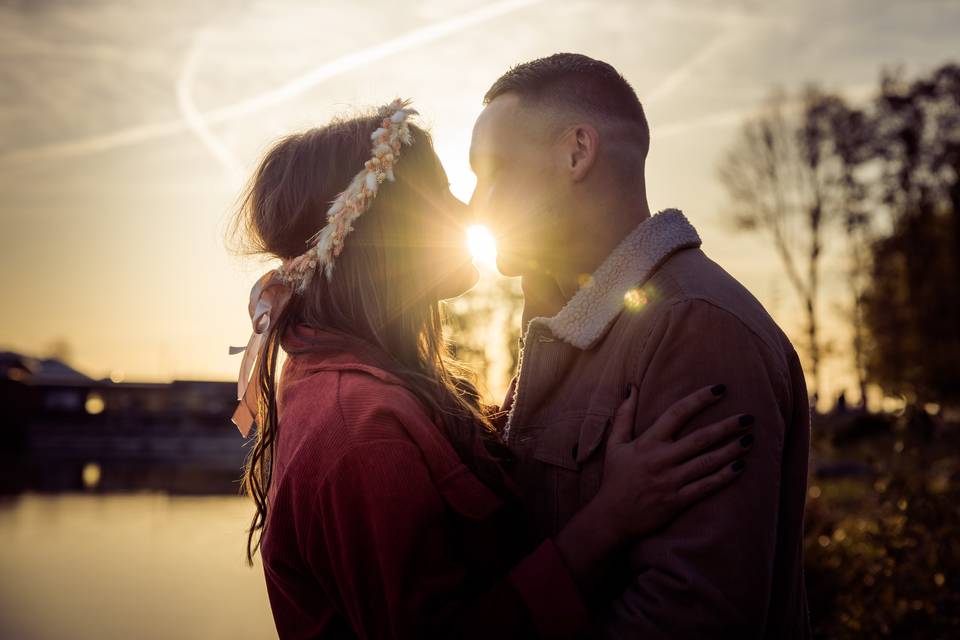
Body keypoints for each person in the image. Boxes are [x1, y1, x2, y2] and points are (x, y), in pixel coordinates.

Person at [229, 100, 754, 638]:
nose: (467, 213)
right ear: (378, 231)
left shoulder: (361, 386)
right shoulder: (360, 429)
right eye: (439, 193)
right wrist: (611, 519)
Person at [470, 54, 812, 638]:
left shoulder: (697, 326)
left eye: (494, 170)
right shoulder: (566, 325)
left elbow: (692, 617)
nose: (476, 204)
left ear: (577, 152)